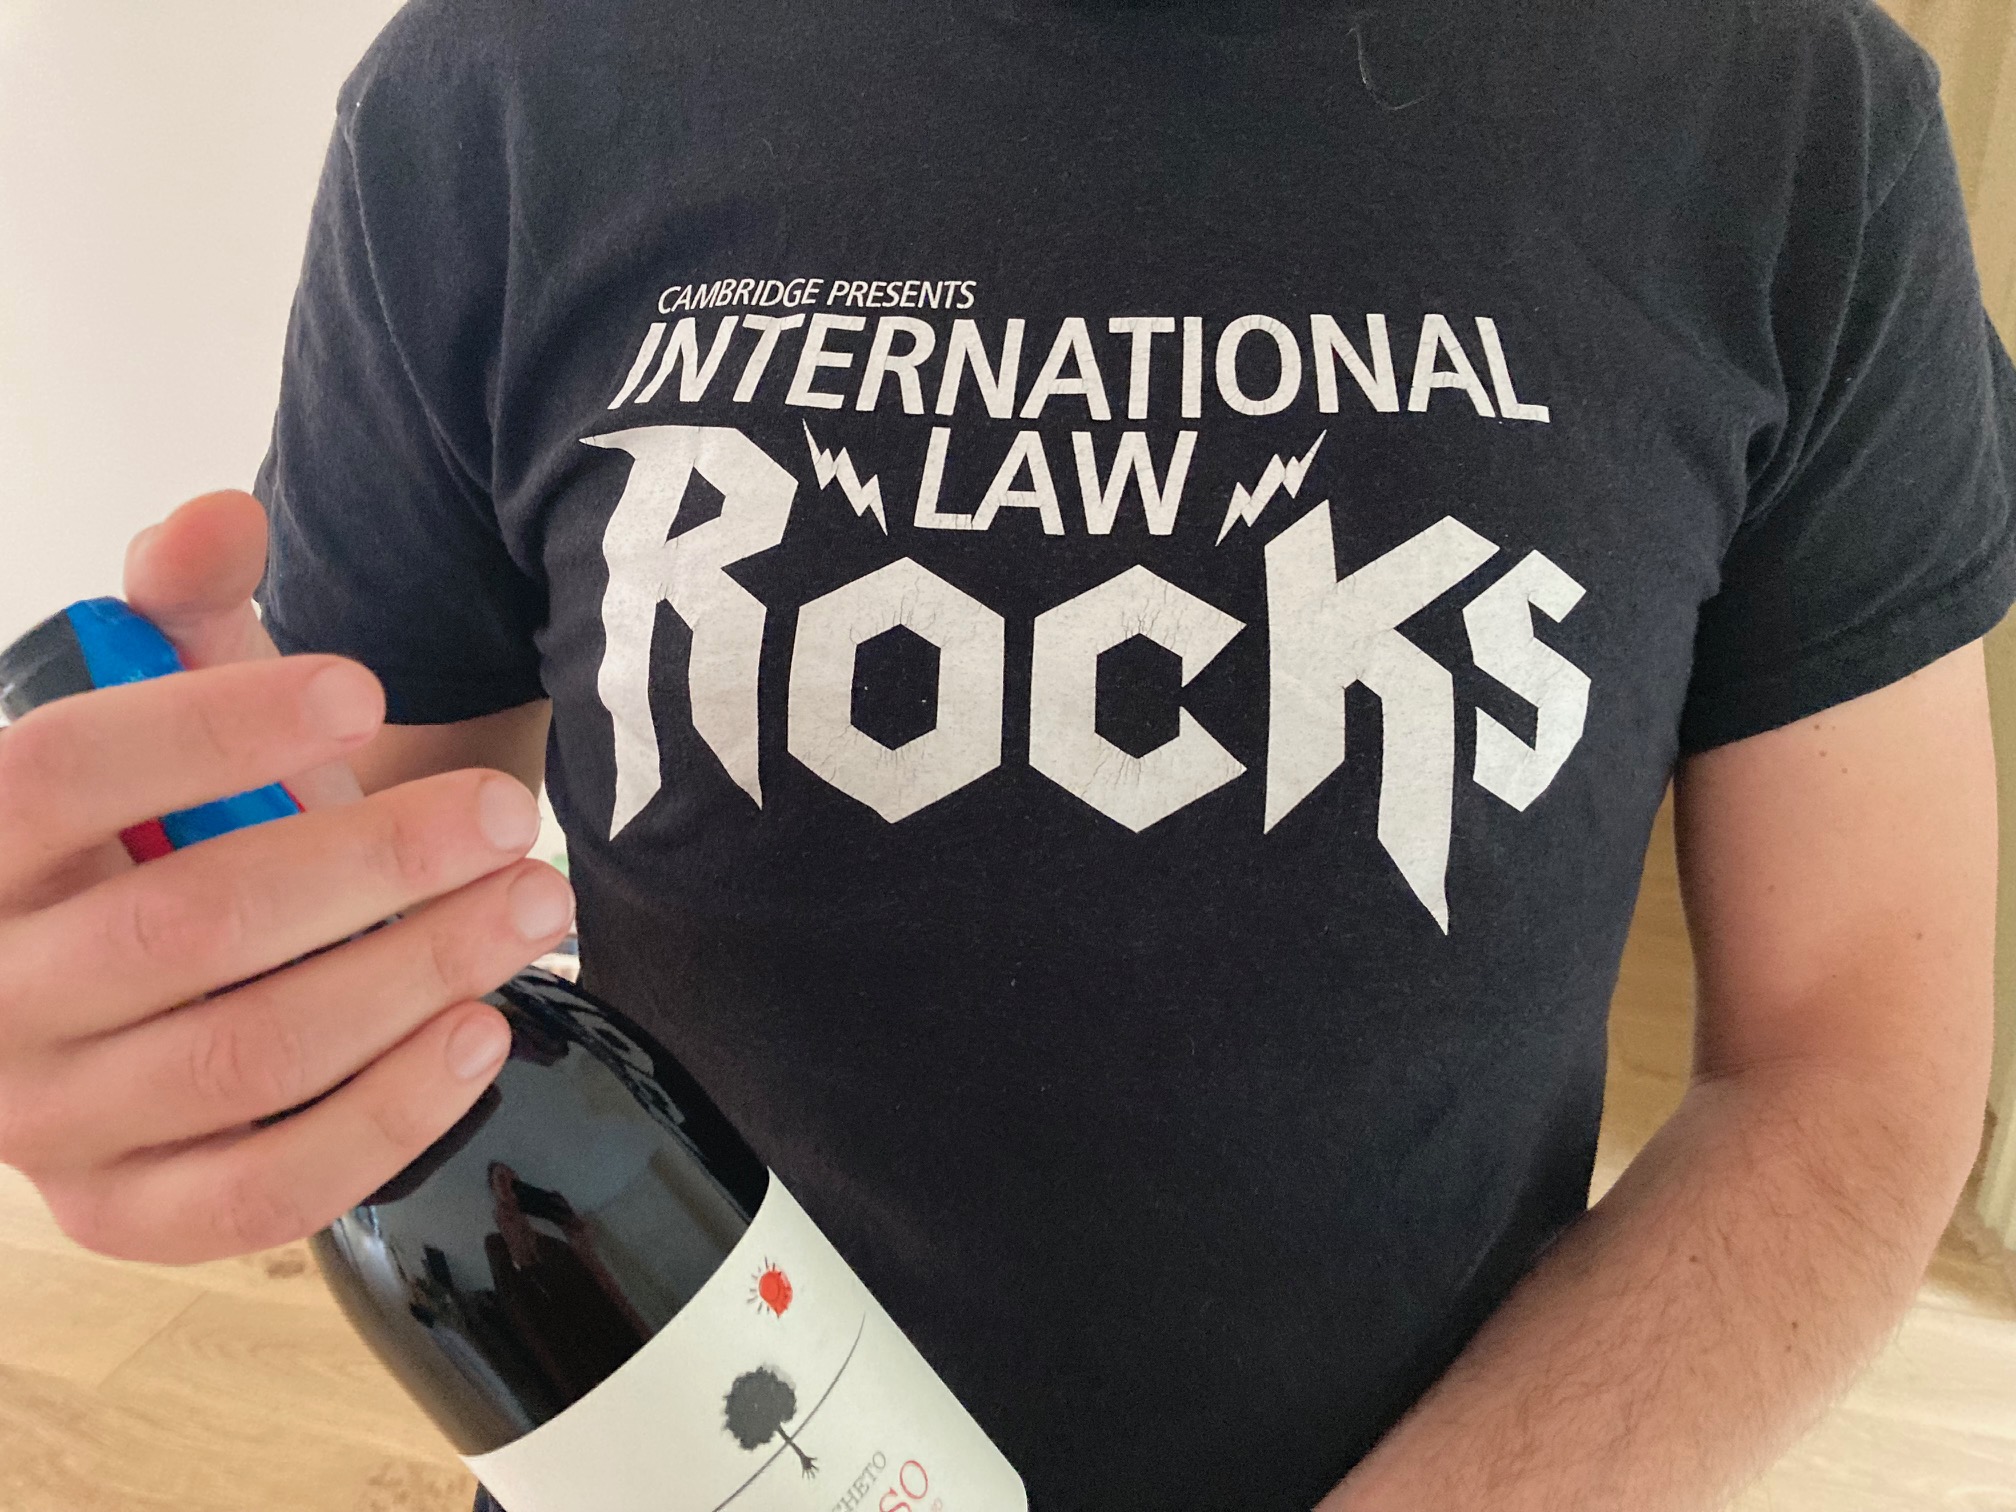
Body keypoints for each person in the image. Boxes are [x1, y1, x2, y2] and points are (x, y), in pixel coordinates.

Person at [1, 0, 2012, 1506]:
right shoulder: (499, 89)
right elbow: (357, 887)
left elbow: (1849, 1056)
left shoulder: (1787, 115)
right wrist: (170, 992)